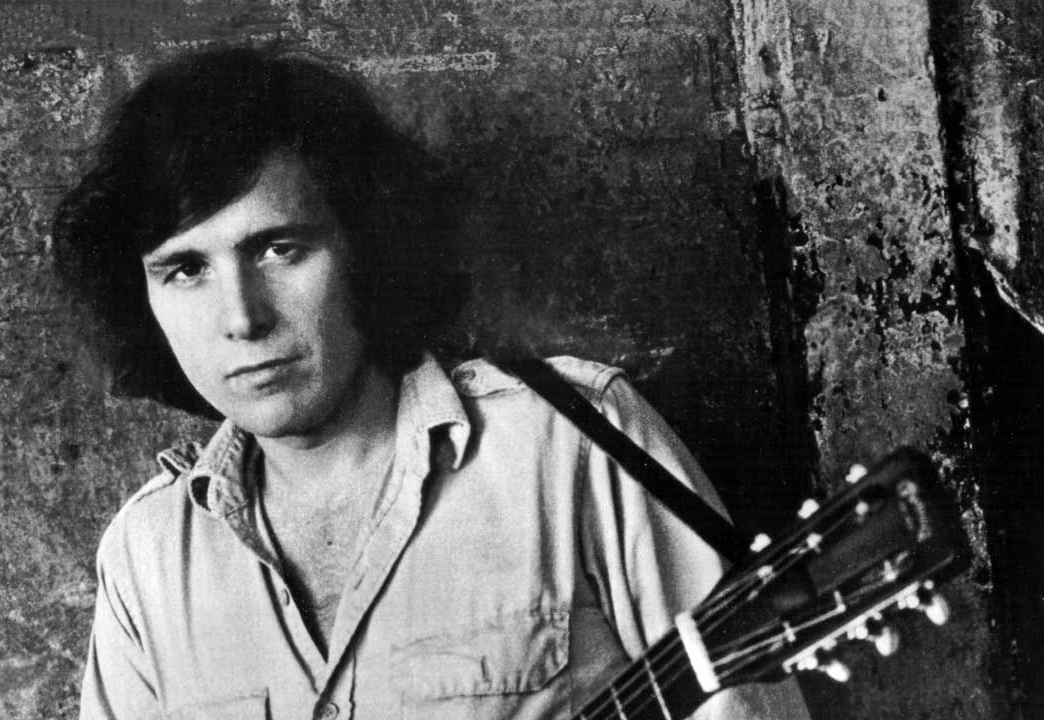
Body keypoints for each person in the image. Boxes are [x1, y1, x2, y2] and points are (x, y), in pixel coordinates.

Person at [53, 46, 810, 720]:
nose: (242, 318)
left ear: (367, 248)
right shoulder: (148, 556)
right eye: (185, 270)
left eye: (280, 249)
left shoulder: (573, 445)